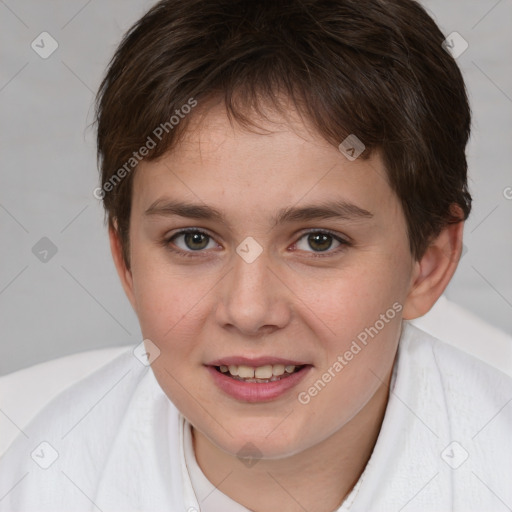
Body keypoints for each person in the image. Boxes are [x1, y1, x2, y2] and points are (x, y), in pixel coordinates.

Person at [1, 0, 511, 511]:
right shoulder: (33, 478)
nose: (248, 311)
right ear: (126, 262)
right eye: (193, 240)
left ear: (428, 263)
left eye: (319, 241)